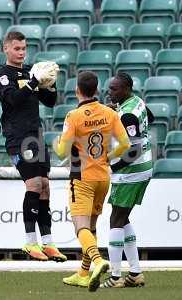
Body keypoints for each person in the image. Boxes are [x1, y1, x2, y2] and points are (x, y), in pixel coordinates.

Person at [0, 31, 67, 262]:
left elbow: (50, 102)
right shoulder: (2, 75)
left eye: (24, 48)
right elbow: (12, 100)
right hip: (18, 137)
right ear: (6, 48)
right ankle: (29, 242)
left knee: (45, 186)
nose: (22, 52)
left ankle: (48, 243)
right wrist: (34, 81)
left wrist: (51, 85)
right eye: (17, 48)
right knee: (34, 184)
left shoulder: (30, 72)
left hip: (36, 136)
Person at [53, 71, 131, 292]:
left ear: (77, 90)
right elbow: (125, 144)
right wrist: (109, 156)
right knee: (92, 226)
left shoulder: (73, 116)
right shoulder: (110, 113)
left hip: (81, 178)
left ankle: (98, 262)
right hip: (103, 177)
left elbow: (61, 152)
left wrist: (55, 143)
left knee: (80, 228)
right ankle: (84, 273)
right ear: (96, 90)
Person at [100, 72, 154, 289]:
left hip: (131, 172)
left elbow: (135, 149)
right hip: (143, 169)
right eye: (110, 88)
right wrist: (118, 109)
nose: (110, 92)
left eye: (114, 89)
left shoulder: (127, 114)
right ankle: (135, 273)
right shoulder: (137, 101)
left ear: (126, 89)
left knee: (115, 220)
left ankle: (115, 276)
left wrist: (109, 167)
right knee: (123, 218)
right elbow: (151, 119)